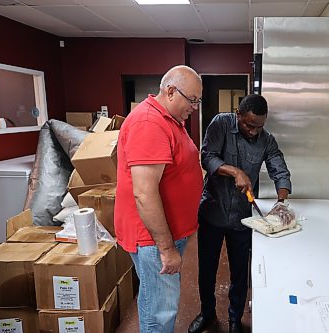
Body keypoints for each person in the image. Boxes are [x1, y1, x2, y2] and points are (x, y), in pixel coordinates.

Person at [188, 94, 292, 333]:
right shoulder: (220, 124)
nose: (254, 131)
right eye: (248, 125)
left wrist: (281, 202)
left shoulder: (266, 140)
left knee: (239, 272)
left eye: (259, 126)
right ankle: (207, 313)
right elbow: (208, 157)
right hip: (213, 212)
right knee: (207, 269)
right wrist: (235, 171)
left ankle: (235, 319)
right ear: (238, 114)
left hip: (243, 219)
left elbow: (279, 168)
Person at [114, 65, 203, 333]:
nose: (195, 107)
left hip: (166, 232)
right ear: (171, 91)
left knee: (153, 298)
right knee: (160, 310)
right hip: (153, 239)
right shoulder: (149, 123)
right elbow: (144, 193)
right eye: (193, 100)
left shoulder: (170, 119)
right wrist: (166, 249)